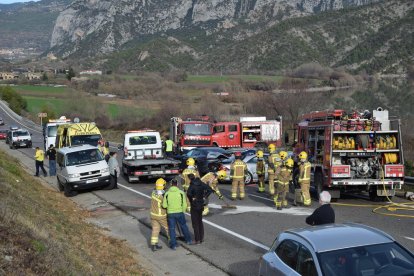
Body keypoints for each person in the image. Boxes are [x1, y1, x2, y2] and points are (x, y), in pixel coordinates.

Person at [162, 179, 193, 250]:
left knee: (172, 229)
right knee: (184, 226)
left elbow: (164, 205)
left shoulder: (167, 193)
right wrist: (182, 211)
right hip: (179, 212)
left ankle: (173, 245)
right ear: (177, 184)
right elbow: (184, 204)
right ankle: (188, 240)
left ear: (171, 185)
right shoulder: (181, 193)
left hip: (170, 213)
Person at [187, 174, 214, 244]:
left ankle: (197, 239)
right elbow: (210, 189)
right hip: (201, 204)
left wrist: (192, 199)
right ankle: (201, 238)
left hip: (194, 205)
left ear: (190, 179)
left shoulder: (192, 185)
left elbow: (188, 193)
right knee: (200, 222)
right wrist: (205, 196)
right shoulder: (201, 183)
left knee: (195, 223)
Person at [150, 178, 169, 251]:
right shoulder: (162, 196)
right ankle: (172, 242)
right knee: (168, 229)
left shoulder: (153, 193)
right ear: (163, 185)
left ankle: (154, 245)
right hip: (161, 216)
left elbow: (156, 189)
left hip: (153, 215)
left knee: (155, 230)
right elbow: (165, 205)